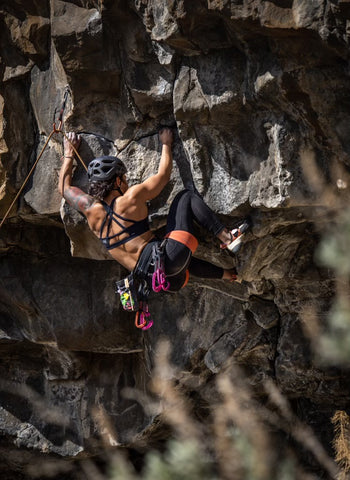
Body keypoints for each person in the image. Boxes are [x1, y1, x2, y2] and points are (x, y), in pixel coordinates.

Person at [58, 128, 249, 293]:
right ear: (117, 181)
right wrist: (166, 143)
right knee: (186, 197)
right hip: (168, 261)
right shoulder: (130, 198)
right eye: (123, 179)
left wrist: (69, 154)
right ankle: (227, 237)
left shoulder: (91, 211)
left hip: (163, 281)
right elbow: (163, 176)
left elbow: (65, 189)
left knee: (176, 260)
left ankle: (230, 275)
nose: (126, 182)